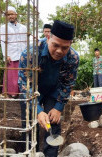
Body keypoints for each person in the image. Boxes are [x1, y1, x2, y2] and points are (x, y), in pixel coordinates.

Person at [18, 20, 79, 156]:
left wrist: (58, 107)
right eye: (55, 45)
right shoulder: (31, 53)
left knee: (53, 124)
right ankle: (29, 153)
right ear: (48, 37)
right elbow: (24, 84)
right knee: (28, 125)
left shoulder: (73, 58)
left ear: (70, 44)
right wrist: (38, 110)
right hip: (31, 91)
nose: (59, 51)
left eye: (64, 48)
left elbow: (67, 84)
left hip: (53, 92)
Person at [0, 6, 27, 98]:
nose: (10, 16)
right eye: (8, 15)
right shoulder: (4, 27)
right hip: (11, 55)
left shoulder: (23, 28)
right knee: (11, 76)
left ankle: (21, 93)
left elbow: (26, 42)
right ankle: (11, 94)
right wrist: (6, 55)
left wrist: (27, 54)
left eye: (12, 14)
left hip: (22, 55)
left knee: (22, 75)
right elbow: (3, 42)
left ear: (16, 14)